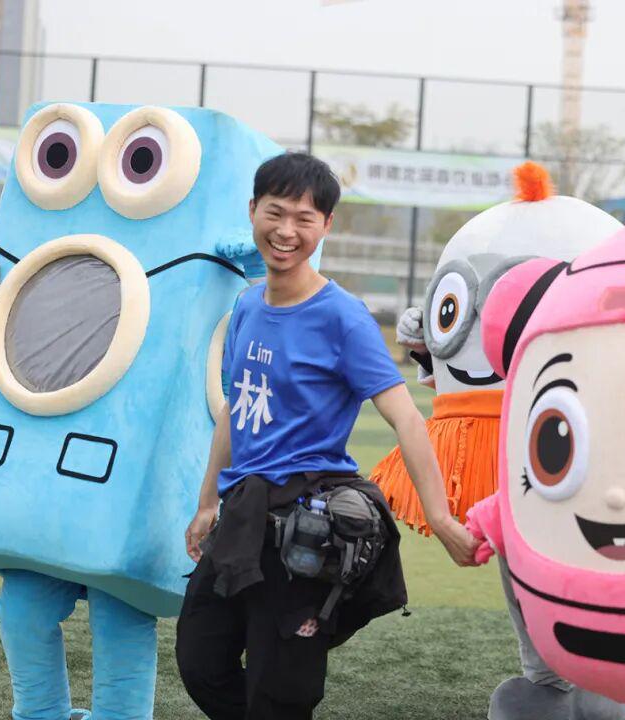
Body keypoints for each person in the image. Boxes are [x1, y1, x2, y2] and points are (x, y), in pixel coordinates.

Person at [176, 152, 479, 720]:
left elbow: (407, 418)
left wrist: (440, 519)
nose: (286, 231)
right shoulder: (246, 305)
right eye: (275, 213)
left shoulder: (343, 317)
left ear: (326, 225)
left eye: (304, 218)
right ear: (253, 210)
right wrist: (207, 501)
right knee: (200, 661)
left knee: (280, 691)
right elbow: (235, 410)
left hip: (304, 530)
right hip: (241, 517)